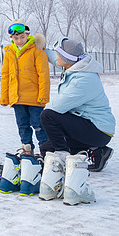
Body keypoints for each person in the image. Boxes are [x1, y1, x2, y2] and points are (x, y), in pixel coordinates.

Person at [39, 37, 115, 205]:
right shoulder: (76, 65)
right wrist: (42, 49)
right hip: (87, 125)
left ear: (66, 59)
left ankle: (64, 160)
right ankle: (97, 153)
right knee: (46, 149)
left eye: (59, 54)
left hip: (98, 130)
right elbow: (56, 57)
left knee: (47, 115)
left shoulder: (83, 80)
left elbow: (55, 108)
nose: (56, 58)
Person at [0, 19, 50, 196]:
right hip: (17, 98)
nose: (19, 40)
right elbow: (5, 75)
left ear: (27, 35)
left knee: (38, 125)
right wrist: (5, 96)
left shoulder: (37, 51)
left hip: (34, 98)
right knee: (22, 126)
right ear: (12, 38)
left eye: (22, 37)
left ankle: (45, 154)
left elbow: (44, 74)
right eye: (16, 38)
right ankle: (27, 152)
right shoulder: (9, 52)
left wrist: (43, 96)